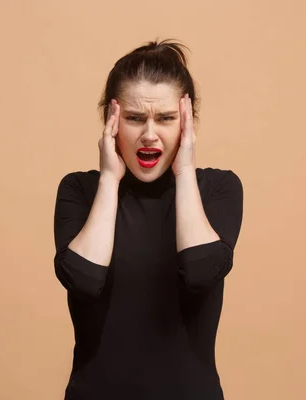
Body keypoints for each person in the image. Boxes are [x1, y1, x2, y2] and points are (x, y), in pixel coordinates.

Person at [53, 39, 244, 400]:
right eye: (135, 118)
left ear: (187, 122)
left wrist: (185, 170)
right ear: (111, 121)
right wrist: (109, 179)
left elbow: (201, 272)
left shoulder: (218, 189)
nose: (150, 134)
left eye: (167, 118)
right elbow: (83, 280)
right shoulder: (79, 190)